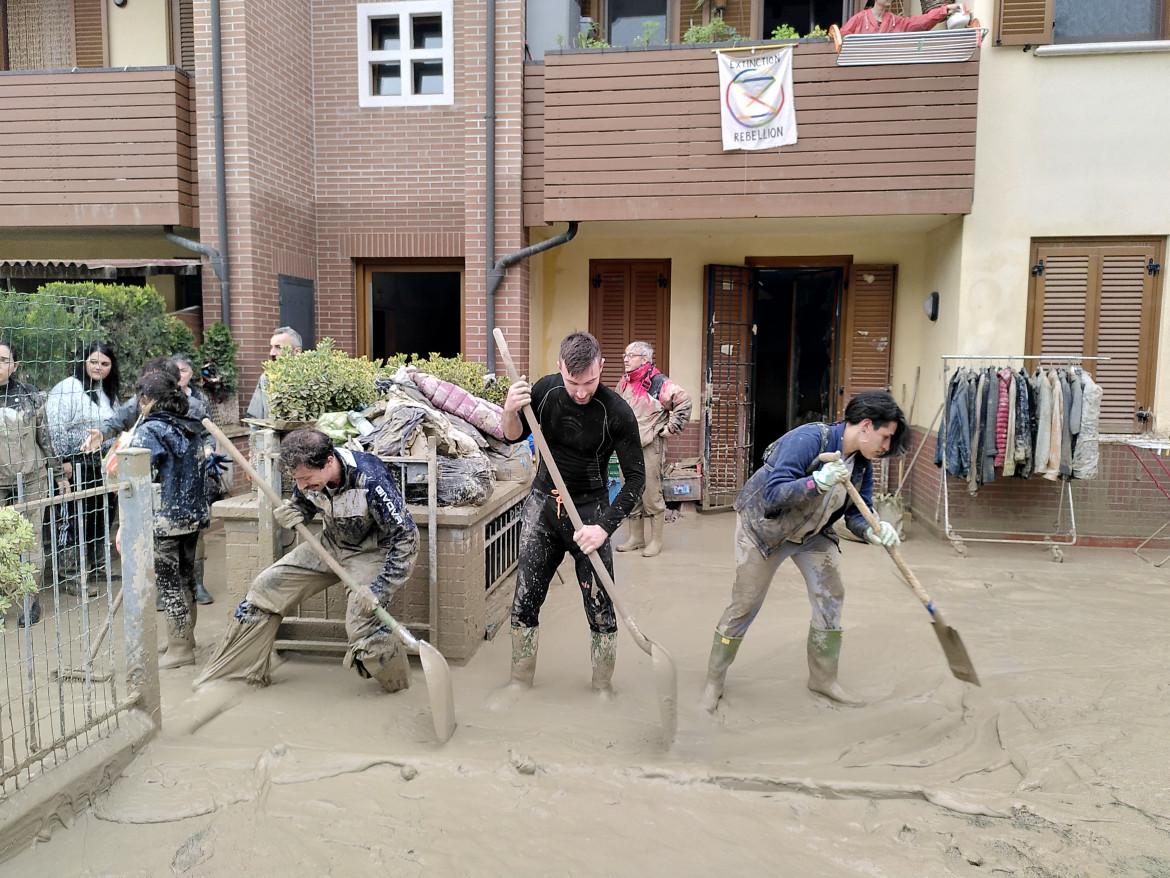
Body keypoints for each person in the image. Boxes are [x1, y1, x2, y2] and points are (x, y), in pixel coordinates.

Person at [698, 390, 909, 713]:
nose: (885, 447)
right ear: (865, 426)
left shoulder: (862, 464)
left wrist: (871, 530)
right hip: (764, 531)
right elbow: (773, 495)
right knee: (744, 604)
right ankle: (714, 681)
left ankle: (823, 680)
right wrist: (818, 483)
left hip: (812, 534)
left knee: (831, 594)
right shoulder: (810, 439)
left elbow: (857, 511)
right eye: (884, 437)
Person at [193, 427, 419, 693]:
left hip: (372, 552)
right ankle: (239, 676)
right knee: (265, 589)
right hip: (330, 544)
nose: (300, 486)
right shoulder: (307, 476)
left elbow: (407, 537)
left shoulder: (371, 478)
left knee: (362, 624)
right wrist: (295, 512)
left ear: (329, 461)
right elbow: (305, 503)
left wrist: (380, 589)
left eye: (306, 479)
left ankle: (399, 689)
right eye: (296, 480)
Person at [500, 331, 645, 695]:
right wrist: (510, 409)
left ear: (601, 366)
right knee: (525, 601)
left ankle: (602, 687)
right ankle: (519, 683)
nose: (581, 392)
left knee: (601, 609)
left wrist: (605, 529)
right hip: (543, 507)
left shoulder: (617, 412)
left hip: (592, 511)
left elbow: (636, 481)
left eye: (590, 382)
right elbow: (511, 435)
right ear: (560, 368)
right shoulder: (545, 392)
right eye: (572, 382)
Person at [115, 372, 210, 667]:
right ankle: (185, 640)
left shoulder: (151, 430)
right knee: (187, 577)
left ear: (146, 400)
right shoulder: (192, 426)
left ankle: (180, 649)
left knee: (169, 583)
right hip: (192, 515)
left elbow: (138, 473)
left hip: (164, 518)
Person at [0, 339, 70, 627]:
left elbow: (45, 438)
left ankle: (30, 602)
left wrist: (58, 475)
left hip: (31, 478)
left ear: (14, 366)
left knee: (29, 543)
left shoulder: (30, 397)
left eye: (4, 360)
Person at [46, 342, 121, 597]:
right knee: (76, 518)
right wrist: (62, 462)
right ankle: (71, 575)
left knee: (102, 515)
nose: (98, 367)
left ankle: (97, 566)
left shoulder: (107, 391)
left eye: (105, 363)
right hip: (75, 462)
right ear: (84, 361)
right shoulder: (67, 389)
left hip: (102, 462)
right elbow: (53, 429)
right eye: (94, 361)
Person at [615, 341, 692, 558]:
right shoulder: (625, 382)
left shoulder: (658, 383)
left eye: (631, 355)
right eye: (625, 355)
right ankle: (636, 538)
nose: (626, 359)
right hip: (627, 446)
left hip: (649, 446)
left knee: (651, 493)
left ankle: (656, 542)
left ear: (645, 359)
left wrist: (672, 427)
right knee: (630, 491)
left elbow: (684, 401)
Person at [173, 354, 216, 606]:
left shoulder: (199, 398)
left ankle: (197, 584)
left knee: (196, 529)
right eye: (175, 370)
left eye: (185, 370)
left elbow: (209, 430)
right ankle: (165, 588)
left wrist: (208, 448)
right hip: (166, 474)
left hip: (195, 472)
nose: (180, 374)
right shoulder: (158, 397)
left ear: (191, 373)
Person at [246, 326, 303, 421]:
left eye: (278, 347)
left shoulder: (314, 380)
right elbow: (255, 418)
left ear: (297, 351)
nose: (272, 353)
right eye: (271, 347)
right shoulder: (266, 378)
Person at [839, 0, 964, 35]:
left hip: (889, 76)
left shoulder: (895, 21)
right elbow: (840, 38)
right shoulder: (860, 18)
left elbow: (920, 22)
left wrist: (945, 9)